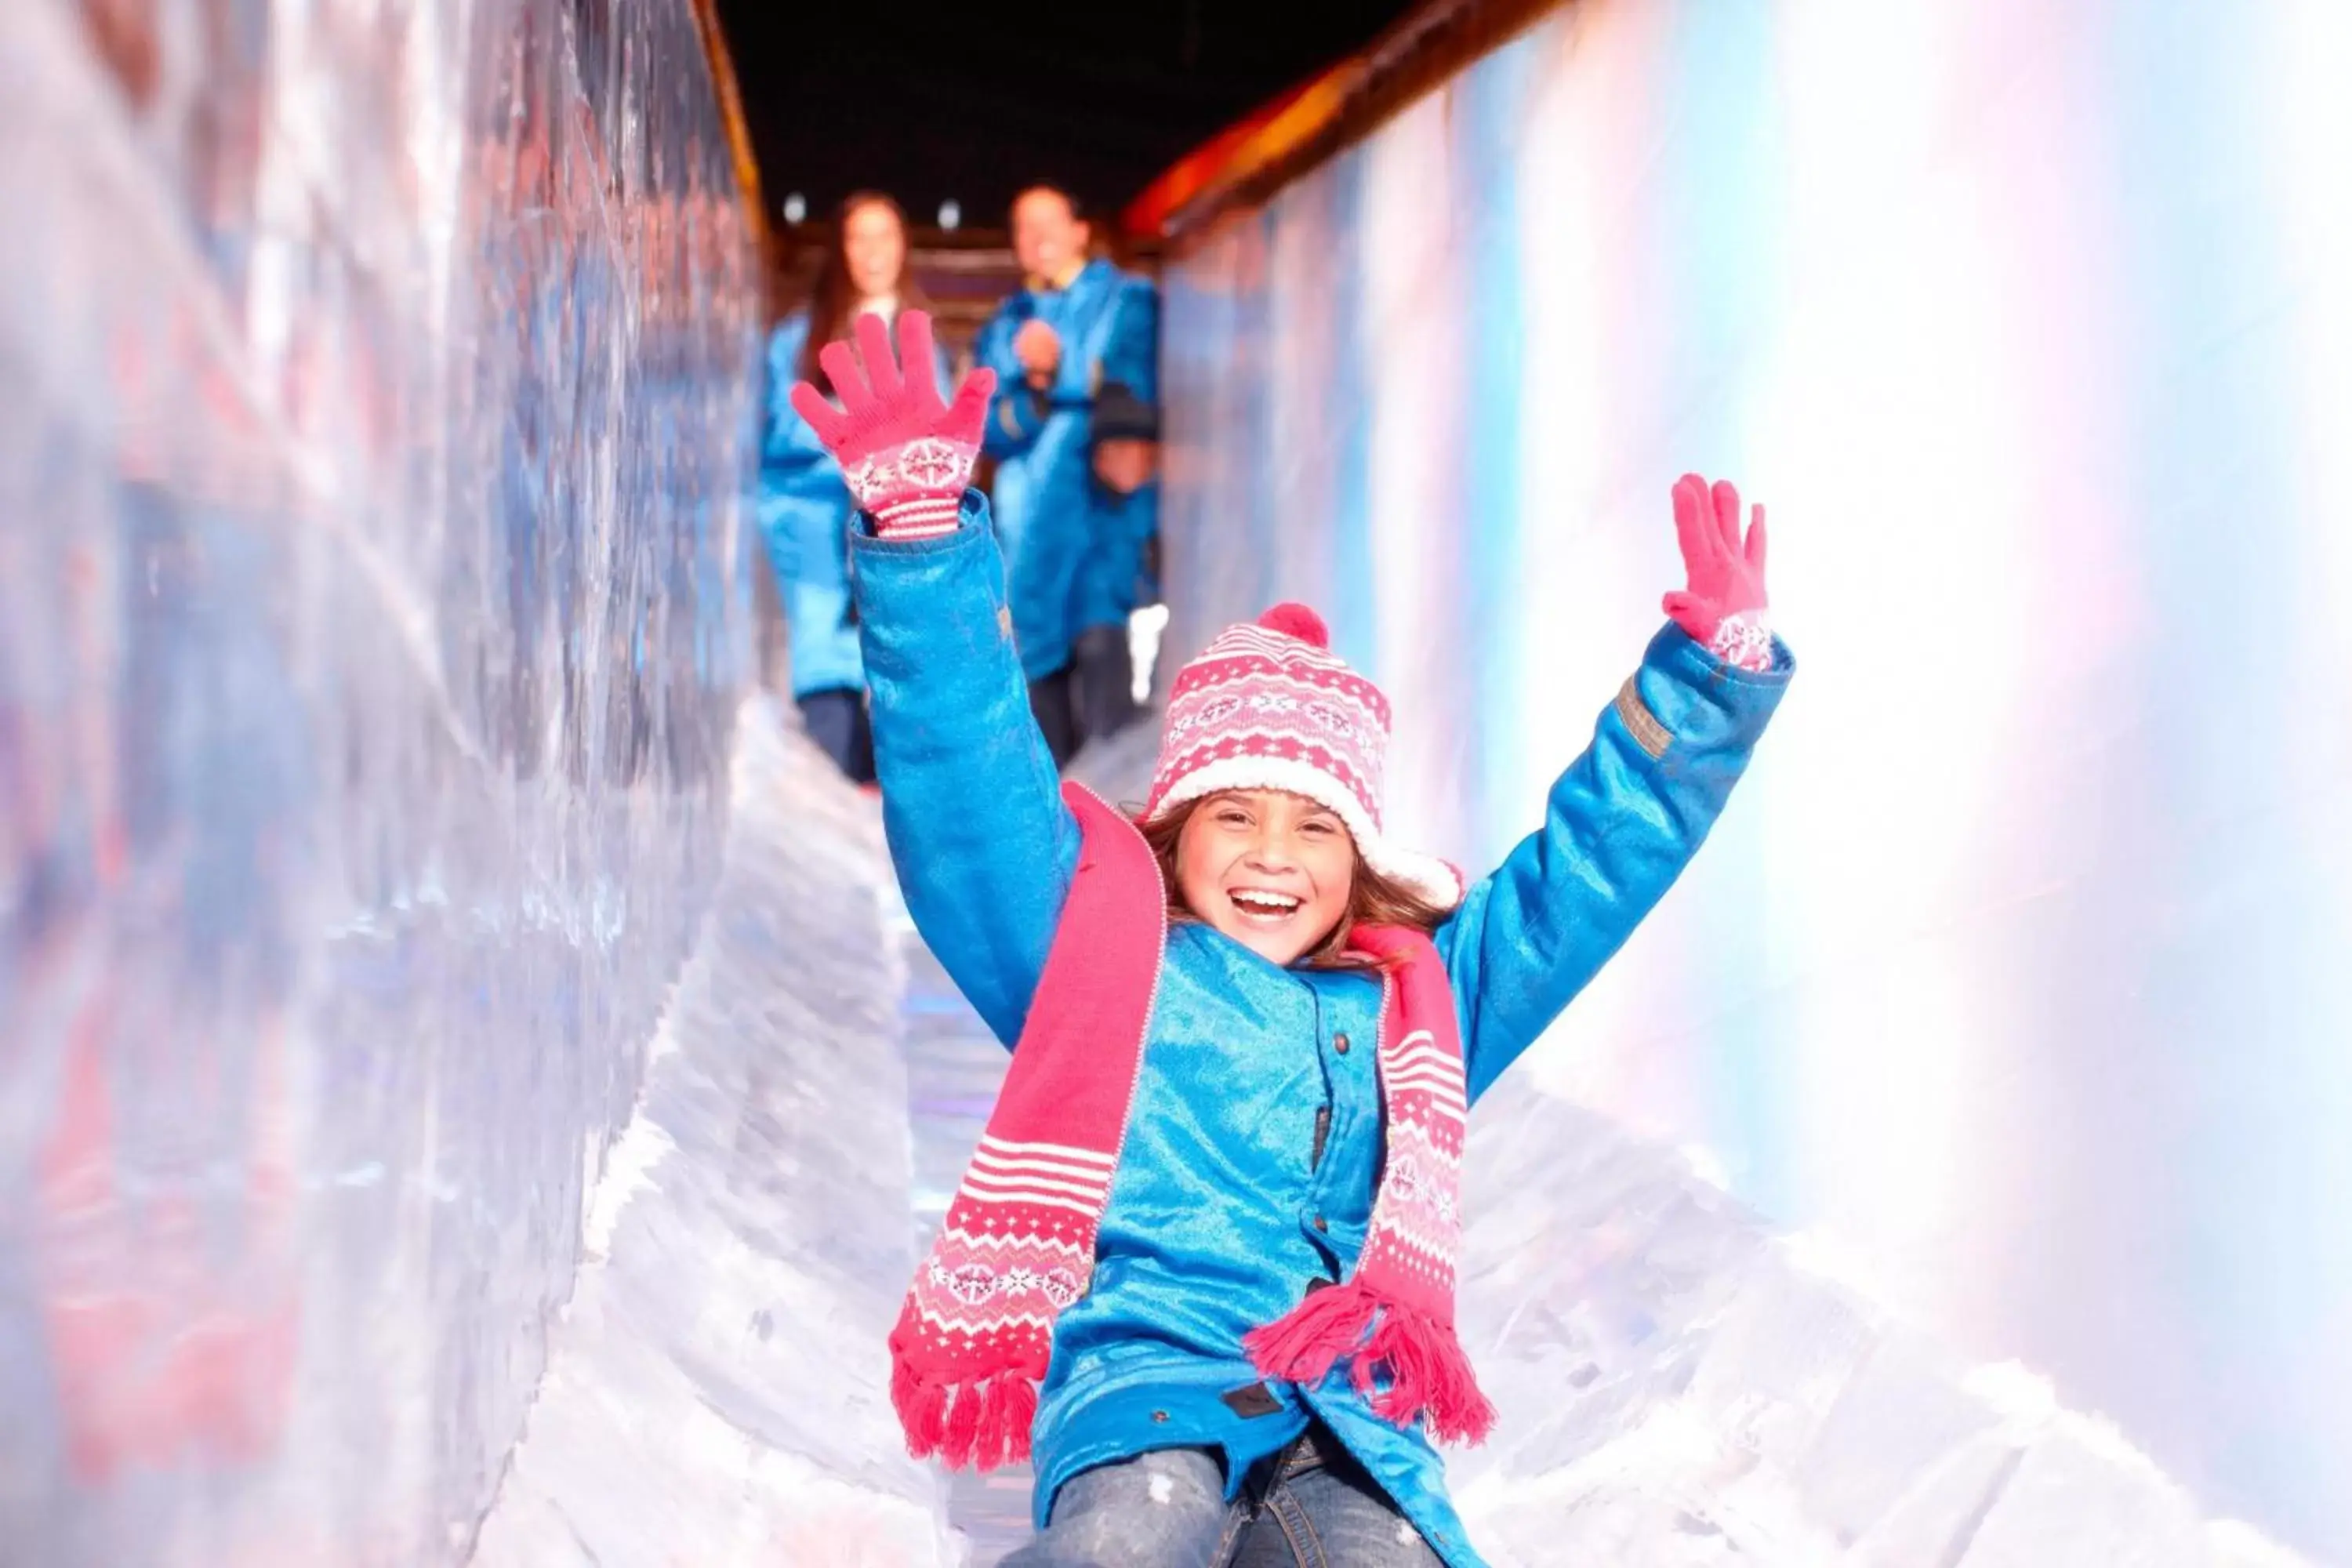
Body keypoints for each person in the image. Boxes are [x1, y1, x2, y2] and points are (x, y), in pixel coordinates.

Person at [790, 313, 1791, 1566]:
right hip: (1147, 1392)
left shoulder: (1420, 999)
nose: (1274, 854)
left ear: (1361, 858)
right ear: (1174, 834)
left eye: (1316, 825)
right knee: (1123, 1551)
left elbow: (1576, 882)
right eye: (1236, 816)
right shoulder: (1103, 963)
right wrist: (926, 550)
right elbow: (972, 800)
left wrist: (1705, 688)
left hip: (1348, 1415)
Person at [756, 191, 941, 784]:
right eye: (858, 237)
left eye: (884, 235)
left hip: (894, 533)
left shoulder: (919, 338)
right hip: (811, 523)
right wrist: (851, 439)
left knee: (895, 666)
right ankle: (827, 798)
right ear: (840, 249)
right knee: (823, 658)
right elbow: (779, 425)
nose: (872, 252)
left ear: (904, 245)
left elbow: (939, 437)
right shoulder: (800, 337)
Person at [971, 184, 1159, 767]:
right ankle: (1059, 832)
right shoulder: (1004, 326)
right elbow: (988, 428)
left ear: (1081, 230)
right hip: (1027, 537)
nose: (1039, 238)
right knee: (1036, 683)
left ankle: (1125, 823)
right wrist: (1035, 389)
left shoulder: (1126, 300)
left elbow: (1136, 384)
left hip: (1105, 515)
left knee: (1104, 651)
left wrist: (1063, 368)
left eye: (1051, 222)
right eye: (1024, 228)